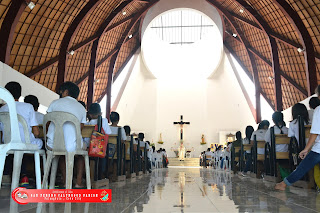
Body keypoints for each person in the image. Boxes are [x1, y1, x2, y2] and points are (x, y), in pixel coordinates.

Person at [275, 85, 320, 191]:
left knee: (303, 166)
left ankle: (284, 184)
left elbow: (315, 133)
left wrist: (306, 149)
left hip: (318, 149)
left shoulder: (318, 110)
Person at [0, 82, 43, 186]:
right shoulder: (28, 107)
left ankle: (11, 176)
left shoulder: (2, 109)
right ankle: (40, 178)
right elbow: (36, 132)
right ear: (19, 95)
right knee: (38, 144)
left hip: (8, 144)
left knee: (16, 148)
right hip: (26, 144)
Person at [46, 81, 87, 188]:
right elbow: (80, 129)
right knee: (81, 152)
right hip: (72, 146)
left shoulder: (54, 103)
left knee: (61, 153)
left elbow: (48, 122)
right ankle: (78, 182)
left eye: (61, 91)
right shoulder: (81, 108)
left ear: (66, 92)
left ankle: (65, 182)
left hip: (52, 144)